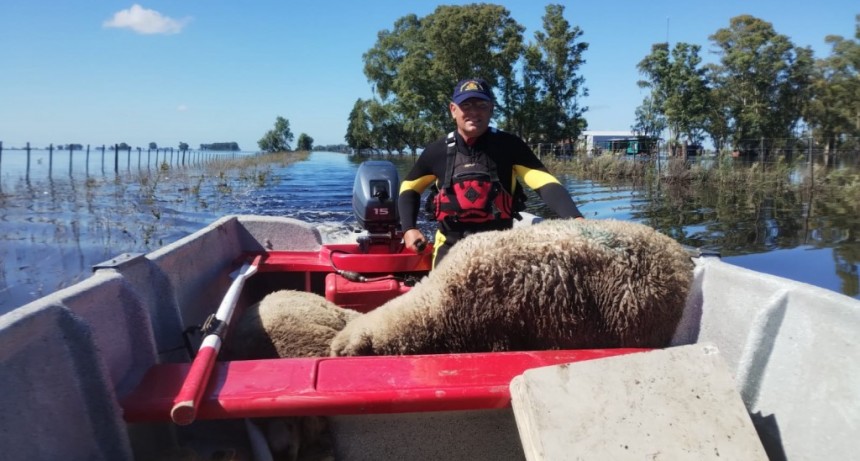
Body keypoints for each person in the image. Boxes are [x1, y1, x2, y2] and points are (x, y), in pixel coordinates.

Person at [399, 77, 585, 267]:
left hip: (499, 246)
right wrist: (409, 229)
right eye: (466, 105)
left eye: (481, 105)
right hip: (450, 247)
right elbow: (409, 188)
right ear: (453, 110)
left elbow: (544, 182)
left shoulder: (509, 145)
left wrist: (575, 217)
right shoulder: (436, 151)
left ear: (491, 109)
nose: (474, 112)